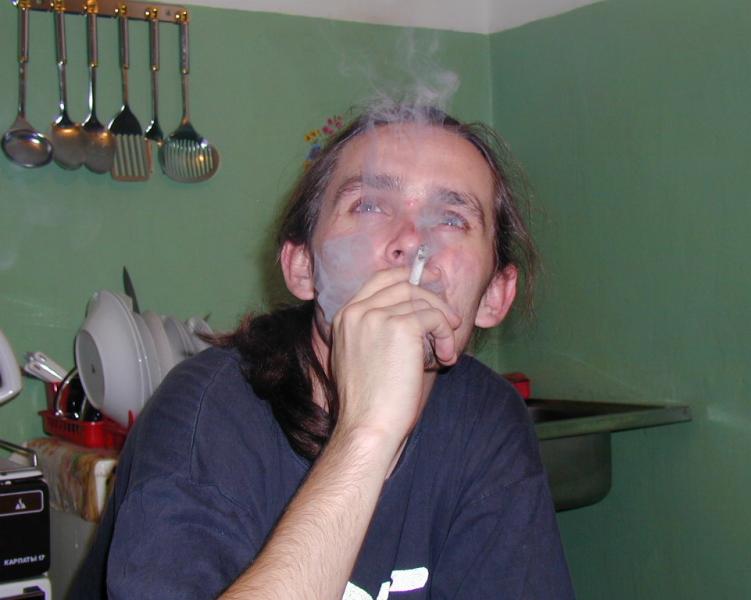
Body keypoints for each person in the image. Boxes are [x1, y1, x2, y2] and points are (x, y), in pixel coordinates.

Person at [71, 104, 574, 599]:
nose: (411, 242)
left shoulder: (487, 420)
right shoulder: (205, 413)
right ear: (303, 267)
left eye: (452, 218)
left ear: (495, 295)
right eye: (370, 206)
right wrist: (367, 433)